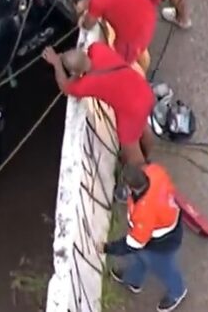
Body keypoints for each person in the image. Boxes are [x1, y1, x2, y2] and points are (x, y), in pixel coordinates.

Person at [41, 43, 154, 167]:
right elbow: (84, 57)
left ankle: (143, 175)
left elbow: (65, 87)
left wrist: (57, 62)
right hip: (142, 90)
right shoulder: (97, 48)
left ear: (74, 71)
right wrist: (68, 58)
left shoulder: (86, 84)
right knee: (143, 126)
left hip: (131, 110)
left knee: (131, 153)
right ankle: (147, 154)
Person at [96, 163, 187, 312]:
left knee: (163, 267)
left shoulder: (144, 213)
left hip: (163, 242)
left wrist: (107, 248)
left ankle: (177, 292)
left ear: (131, 189)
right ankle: (133, 279)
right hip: (169, 223)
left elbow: (133, 243)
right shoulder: (154, 171)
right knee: (142, 256)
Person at [70, 0, 156, 72]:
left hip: (132, 36)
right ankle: (145, 65)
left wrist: (82, 20)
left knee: (125, 64)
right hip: (147, 14)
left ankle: (142, 84)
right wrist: (87, 3)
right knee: (140, 48)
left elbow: (88, 24)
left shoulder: (98, 2)